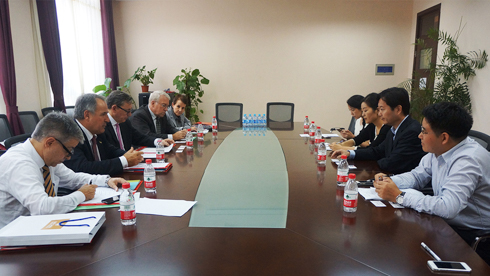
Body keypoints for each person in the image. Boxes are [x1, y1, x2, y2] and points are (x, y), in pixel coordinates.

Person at [374, 102, 490, 264]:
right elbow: (417, 176)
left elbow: (448, 207)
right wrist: (389, 181)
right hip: (446, 224)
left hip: (473, 237)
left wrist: (400, 197)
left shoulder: (468, 161)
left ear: (444, 137)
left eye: (424, 131)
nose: (419, 135)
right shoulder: (440, 150)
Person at [0, 112, 126, 228]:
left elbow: (73, 178)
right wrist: (81, 195)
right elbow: (42, 207)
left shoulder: (45, 158)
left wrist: (106, 180)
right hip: (13, 238)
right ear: (49, 143)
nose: (69, 156)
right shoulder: (19, 163)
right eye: (69, 150)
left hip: (40, 227)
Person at [331, 87, 426, 174]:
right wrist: (350, 153)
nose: (379, 114)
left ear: (398, 109)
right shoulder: (393, 129)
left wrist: (375, 161)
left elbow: (391, 163)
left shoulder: (411, 131)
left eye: (382, 109)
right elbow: (377, 151)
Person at [64, 94, 143, 176]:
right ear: (87, 115)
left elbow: (111, 151)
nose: (108, 119)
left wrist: (130, 155)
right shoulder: (70, 136)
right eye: (103, 114)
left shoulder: (97, 132)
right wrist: (123, 161)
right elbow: (83, 168)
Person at [104, 91, 173, 151]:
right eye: (127, 111)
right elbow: (110, 152)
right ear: (114, 108)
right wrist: (125, 158)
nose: (130, 115)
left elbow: (140, 138)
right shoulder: (103, 126)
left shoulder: (125, 122)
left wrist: (158, 141)